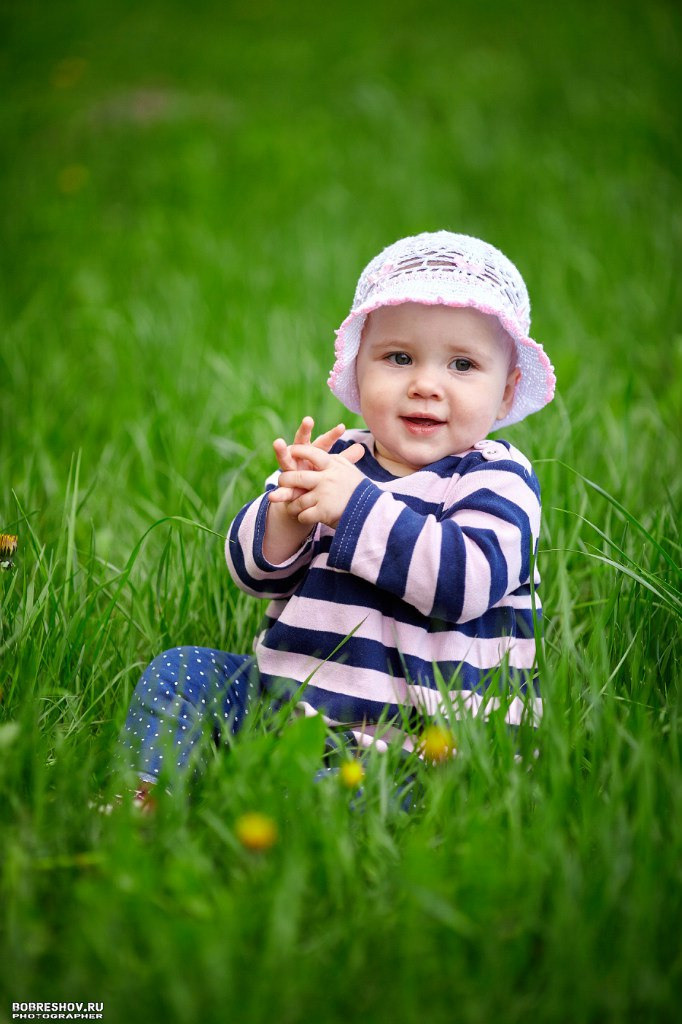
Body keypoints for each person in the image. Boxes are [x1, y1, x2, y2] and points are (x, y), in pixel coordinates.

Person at [119, 230, 556, 803]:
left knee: (328, 798)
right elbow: (252, 574)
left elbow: (463, 583)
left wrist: (356, 508)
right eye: (399, 358)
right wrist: (288, 515)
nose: (425, 384)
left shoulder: (496, 478)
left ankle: (264, 816)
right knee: (182, 673)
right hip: (289, 713)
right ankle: (144, 799)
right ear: (358, 371)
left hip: (424, 746)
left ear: (506, 392)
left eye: (462, 364)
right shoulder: (337, 461)